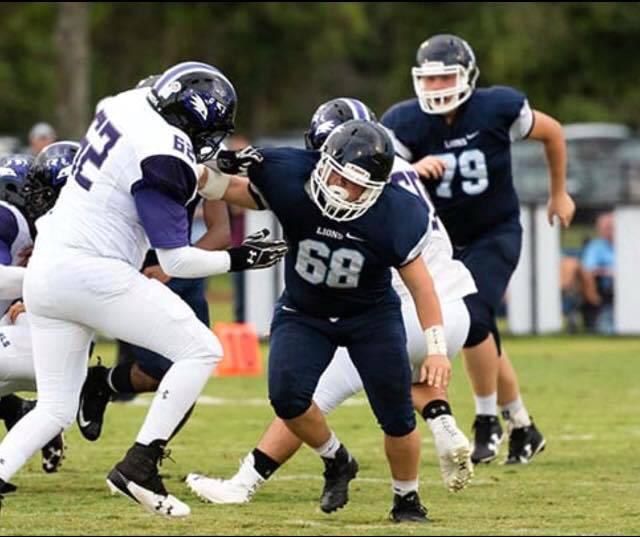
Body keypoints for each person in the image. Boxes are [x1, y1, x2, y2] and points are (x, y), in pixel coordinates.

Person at [0, 61, 287, 517]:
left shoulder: (125, 104)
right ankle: (139, 465)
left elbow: (175, 168)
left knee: (56, 406)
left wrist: (219, 176)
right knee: (202, 349)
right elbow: (175, 259)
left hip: (48, 269)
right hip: (93, 273)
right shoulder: (163, 154)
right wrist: (240, 257)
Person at [186, 98, 478, 508]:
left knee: (388, 411)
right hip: (313, 310)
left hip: (378, 313)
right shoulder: (295, 175)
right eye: (333, 172)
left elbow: (421, 285)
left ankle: (406, 499)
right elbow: (234, 187)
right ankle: (346, 456)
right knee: (292, 397)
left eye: (354, 183)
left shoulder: (393, 210)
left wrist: (436, 348)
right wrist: (198, 173)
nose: (341, 188)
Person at [381, 34, 576, 465]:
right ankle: (522, 425)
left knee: (473, 319)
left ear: (467, 75)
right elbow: (384, 174)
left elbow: (553, 133)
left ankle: (487, 420)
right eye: (429, 80)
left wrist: (558, 193)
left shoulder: (496, 107)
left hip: (495, 232)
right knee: (479, 328)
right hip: (442, 244)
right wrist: (412, 169)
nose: (436, 88)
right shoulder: (404, 121)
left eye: (446, 77)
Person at [0, 146, 79, 481]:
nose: (37, 199)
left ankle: (27, 412)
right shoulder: (8, 217)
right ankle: (22, 410)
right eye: (31, 191)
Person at [581, 211, 615, 334]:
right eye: (606, 228)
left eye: (612, 228)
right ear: (599, 230)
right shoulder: (595, 247)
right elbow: (588, 269)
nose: (610, 232)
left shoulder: (631, 244)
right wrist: (609, 272)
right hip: (606, 290)